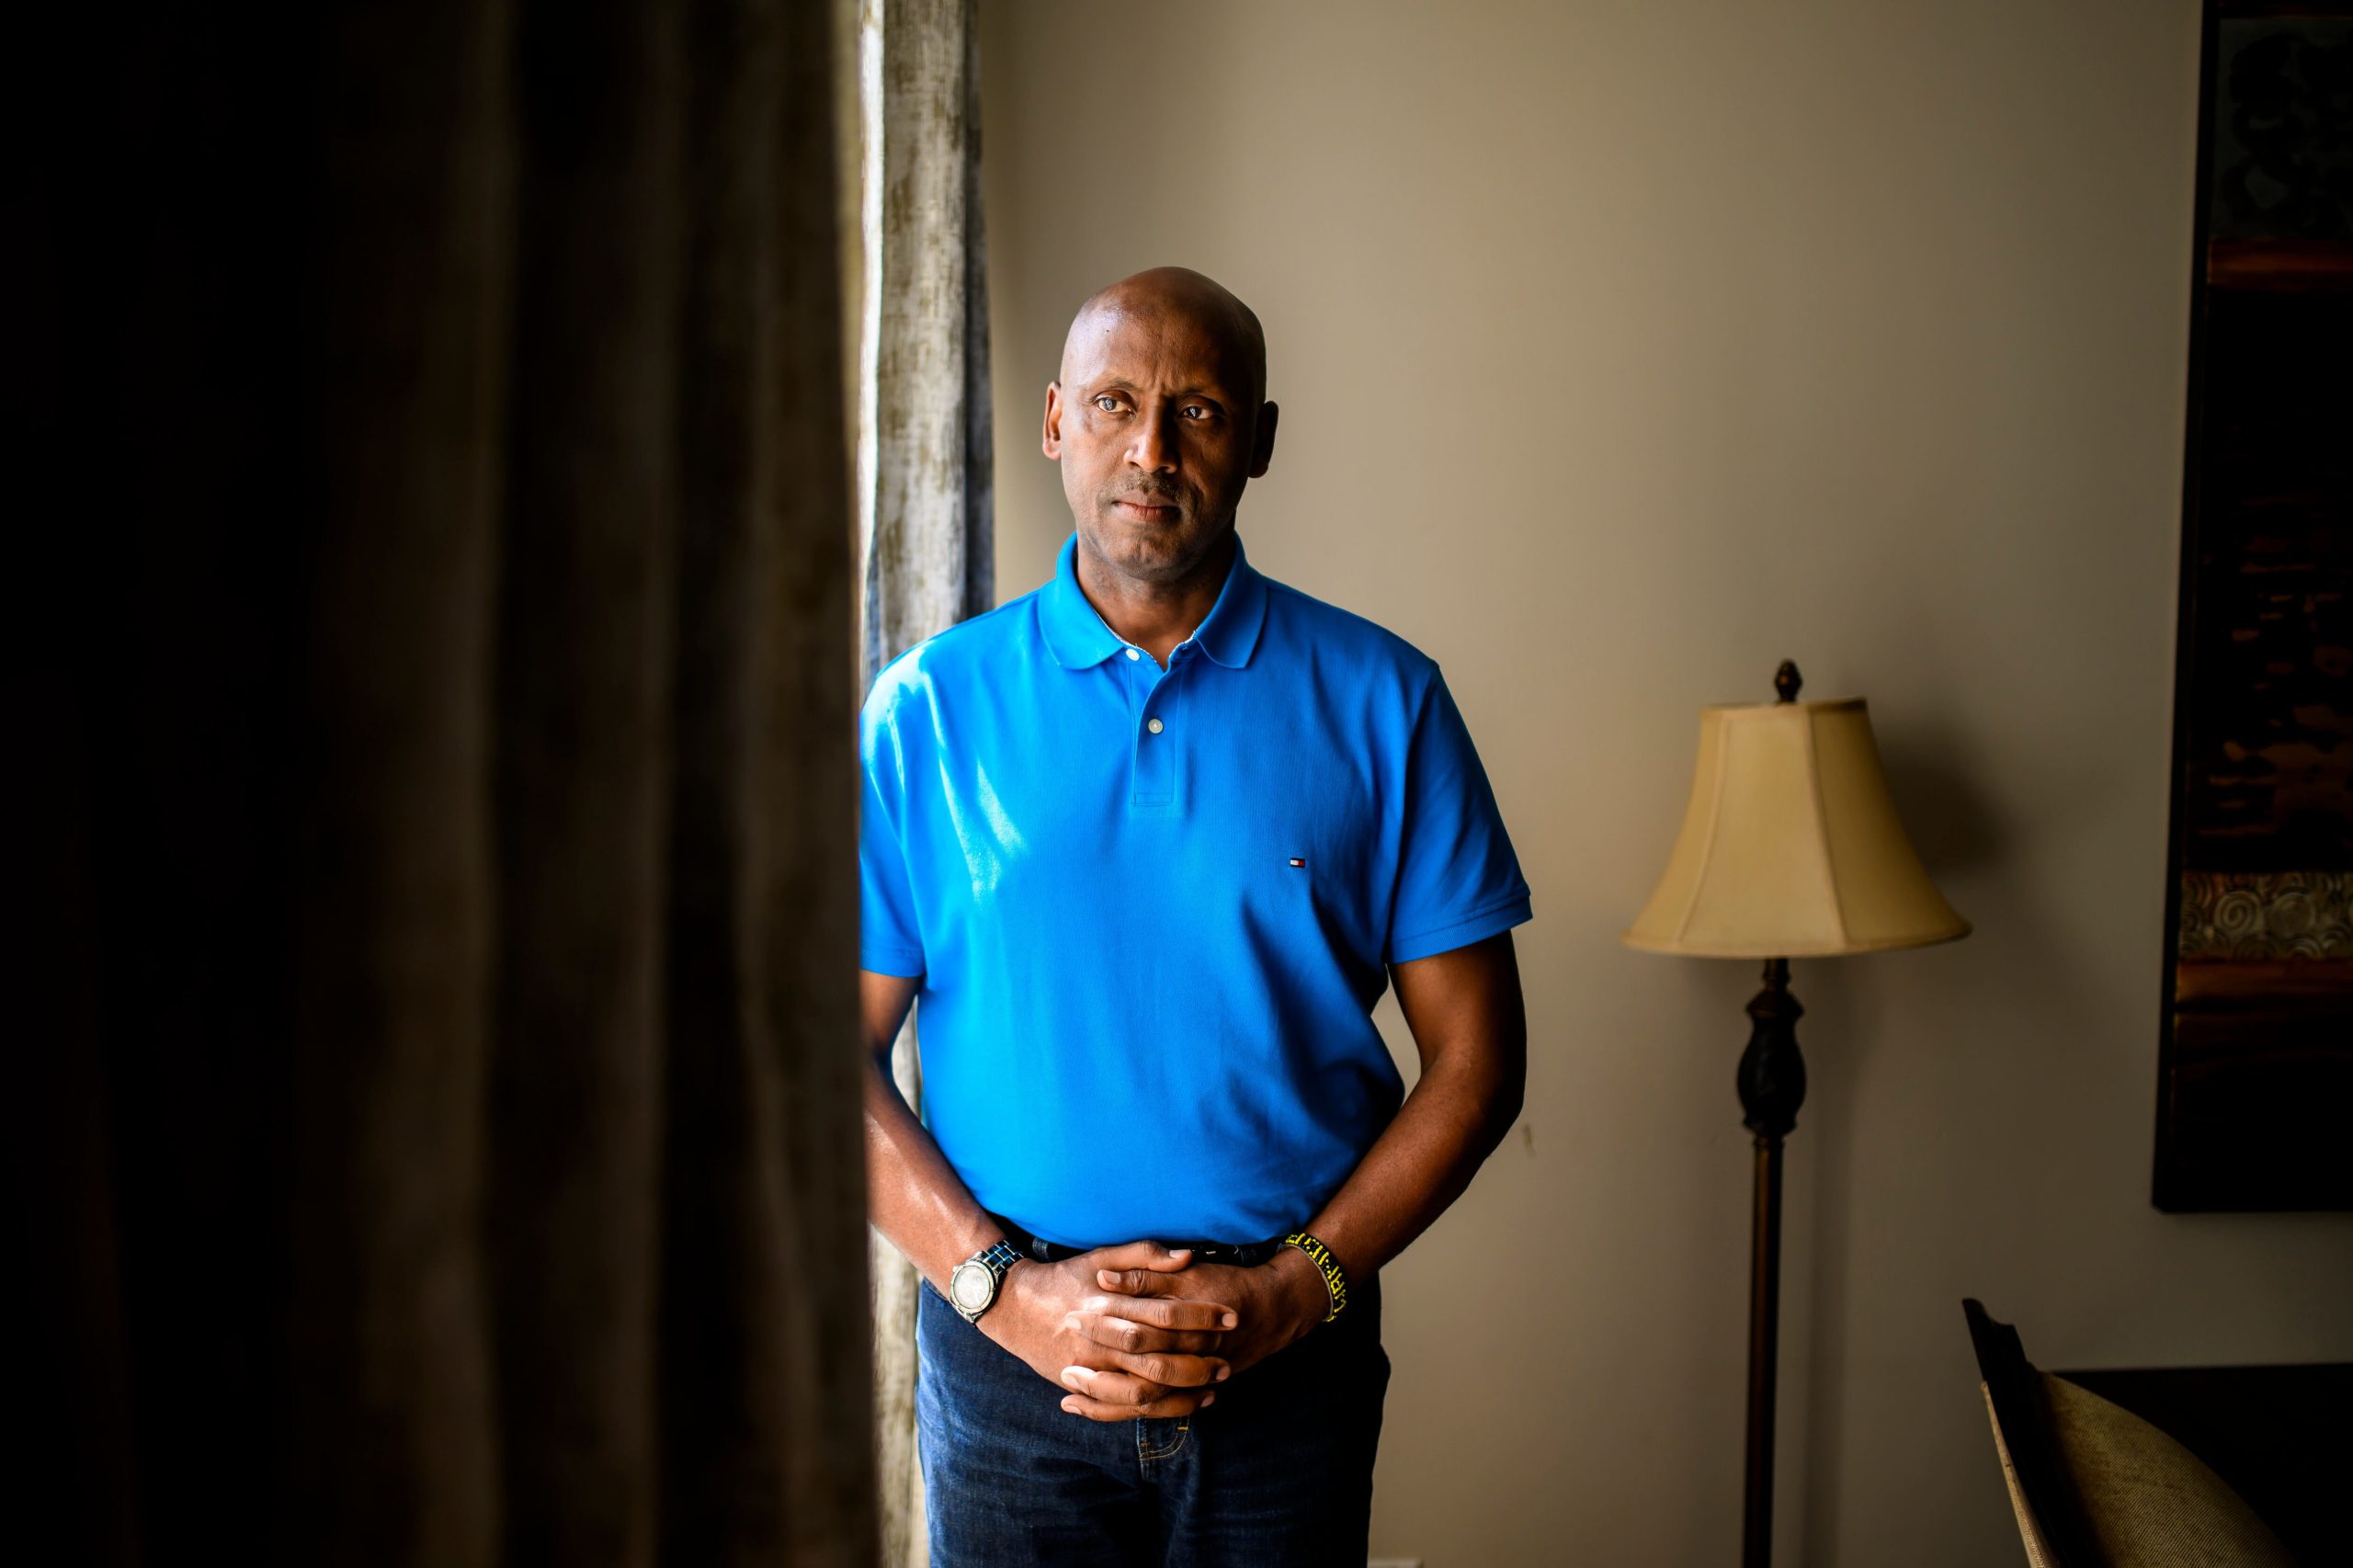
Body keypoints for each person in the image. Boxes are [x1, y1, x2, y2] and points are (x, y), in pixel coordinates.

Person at [859, 266, 1532, 1567]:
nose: (1151, 449)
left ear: (1260, 441)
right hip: (1009, 1382)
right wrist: (1008, 1293)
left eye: (1200, 411)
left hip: (1289, 1374)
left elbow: (1478, 1064)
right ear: (1056, 421)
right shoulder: (926, 714)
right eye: (1115, 403)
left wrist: (1293, 1292)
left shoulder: (1386, 703)